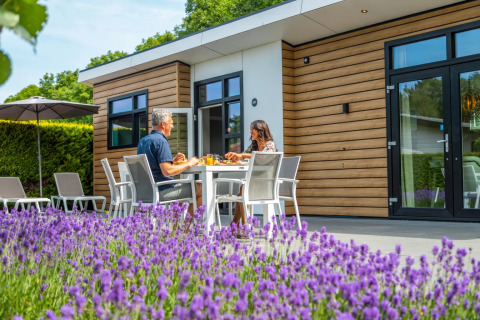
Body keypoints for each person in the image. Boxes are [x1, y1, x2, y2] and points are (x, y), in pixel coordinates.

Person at [137, 109, 201, 215]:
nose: (172, 126)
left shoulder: (142, 141)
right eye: (171, 123)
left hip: (146, 191)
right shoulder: (161, 141)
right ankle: (185, 229)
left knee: (182, 188)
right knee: (201, 189)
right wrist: (189, 163)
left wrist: (173, 161)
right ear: (163, 124)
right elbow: (167, 172)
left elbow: (153, 165)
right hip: (161, 191)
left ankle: (175, 227)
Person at [224, 120, 277, 227]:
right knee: (242, 191)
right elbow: (243, 156)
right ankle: (236, 225)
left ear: (260, 130)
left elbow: (262, 156)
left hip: (267, 184)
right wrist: (235, 156)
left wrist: (242, 156)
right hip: (256, 182)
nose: (250, 132)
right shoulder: (254, 145)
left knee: (243, 190)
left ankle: (242, 225)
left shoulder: (270, 144)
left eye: (253, 129)